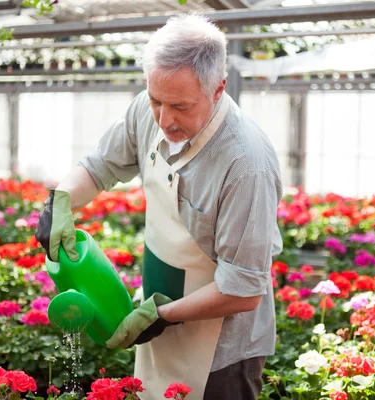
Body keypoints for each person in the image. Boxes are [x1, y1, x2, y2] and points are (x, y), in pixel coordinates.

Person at [36, 13, 283, 400]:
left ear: (218, 90)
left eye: (181, 106)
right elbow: (102, 164)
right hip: (156, 309)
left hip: (219, 347)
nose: (164, 120)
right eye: (156, 101)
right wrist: (62, 198)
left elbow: (244, 289)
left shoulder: (245, 164)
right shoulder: (150, 108)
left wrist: (162, 315)